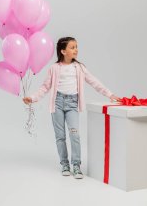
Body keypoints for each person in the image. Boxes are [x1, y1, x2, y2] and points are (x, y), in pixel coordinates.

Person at [23, 37, 121, 179]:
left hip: (72, 104)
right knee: (60, 137)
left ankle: (76, 165)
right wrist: (32, 98)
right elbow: (45, 87)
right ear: (63, 51)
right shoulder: (54, 68)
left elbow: (94, 82)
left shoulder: (80, 68)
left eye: (76, 46)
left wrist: (109, 94)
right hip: (57, 103)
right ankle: (64, 164)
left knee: (74, 134)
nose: (76, 49)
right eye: (72, 47)